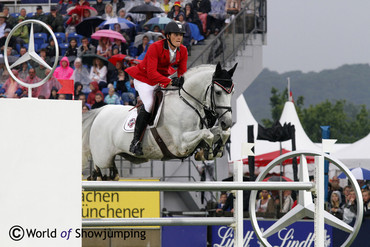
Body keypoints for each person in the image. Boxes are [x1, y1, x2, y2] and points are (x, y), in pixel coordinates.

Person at [125, 21, 188, 155]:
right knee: (149, 104)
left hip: (162, 78)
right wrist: (170, 82)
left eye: (181, 35)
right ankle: (135, 142)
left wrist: (181, 80)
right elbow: (152, 73)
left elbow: (182, 71)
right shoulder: (155, 47)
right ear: (168, 36)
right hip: (144, 79)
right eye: (176, 35)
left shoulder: (183, 50)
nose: (179, 38)